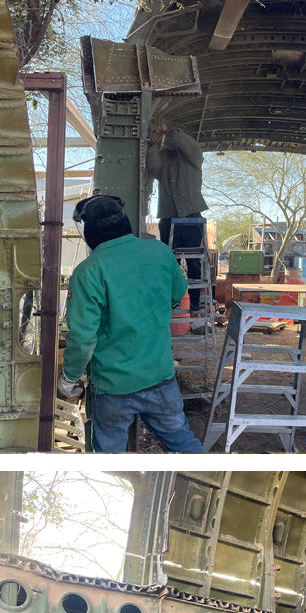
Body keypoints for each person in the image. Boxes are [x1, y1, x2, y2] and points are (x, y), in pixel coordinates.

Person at [57, 194, 204, 453]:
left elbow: (83, 338)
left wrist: (69, 378)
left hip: (113, 387)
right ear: (124, 222)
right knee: (185, 446)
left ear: (88, 230)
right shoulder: (159, 251)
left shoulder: (88, 271)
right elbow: (177, 291)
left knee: (109, 461)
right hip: (160, 376)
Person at [146, 122, 208, 314]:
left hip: (191, 216)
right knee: (169, 261)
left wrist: (172, 130)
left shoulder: (193, 159)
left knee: (193, 263)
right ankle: (172, 301)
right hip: (168, 217)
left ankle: (196, 304)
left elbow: (193, 148)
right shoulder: (163, 162)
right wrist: (154, 142)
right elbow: (152, 165)